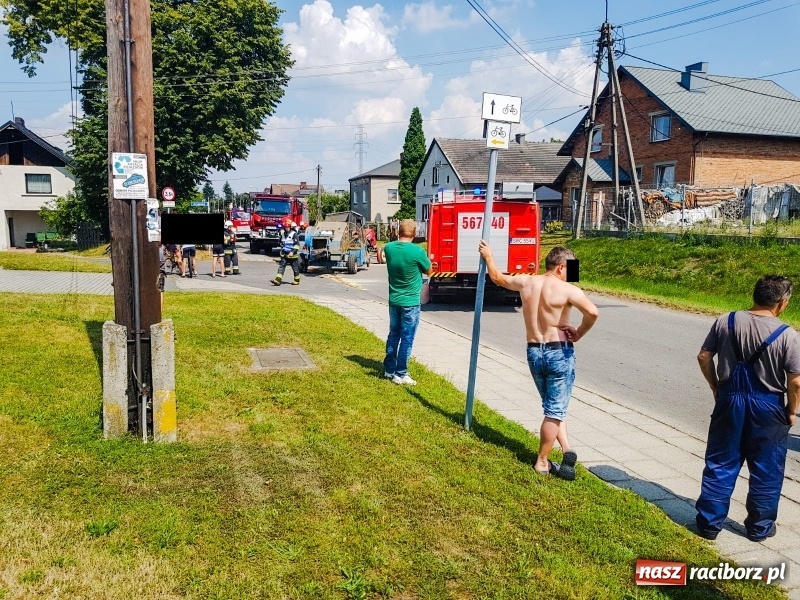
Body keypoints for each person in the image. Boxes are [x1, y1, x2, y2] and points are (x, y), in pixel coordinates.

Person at [478, 242, 599, 480]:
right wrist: (579, 332)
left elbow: (497, 278)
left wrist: (489, 256)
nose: (573, 274)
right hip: (558, 351)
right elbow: (593, 312)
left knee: (552, 405)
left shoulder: (527, 282)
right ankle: (542, 461)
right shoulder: (568, 290)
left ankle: (567, 449)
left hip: (534, 351)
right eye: (572, 268)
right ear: (561, 267)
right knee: (554, 409)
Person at [695, 275, 800, 542]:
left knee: (721, 462)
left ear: (755, 295)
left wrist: (716, 387)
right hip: (768, 406)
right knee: (766, 469)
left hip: (729, 400)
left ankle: (709, 524)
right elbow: (796, 381)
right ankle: (759, 528)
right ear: (782, 303)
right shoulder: (787, 335)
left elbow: (704, 356)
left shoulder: (725, 321)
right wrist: (791, 410)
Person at [382, 219, 432, 386]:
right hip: (410, 301)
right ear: (415, 233)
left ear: (398, 232)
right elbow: (429, 270)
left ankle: (389, 369)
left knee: (393, 334)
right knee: (407, 338)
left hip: (394, 299)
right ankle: (401, 373)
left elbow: (382, 254)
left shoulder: (389, 248)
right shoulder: (417, 251)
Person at [271, 219, 301, 286]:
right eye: (286, 227)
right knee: (281, 267)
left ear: (290, 227)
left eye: (288, 227)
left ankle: (297, 280)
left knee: (295, 268)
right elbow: (281, 243)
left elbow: (297, 245)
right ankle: (278, 280)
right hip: (284, 254)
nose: (287, 228)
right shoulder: (283, 234)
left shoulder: (294, 234)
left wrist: (292, 252)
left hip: (292, 255)